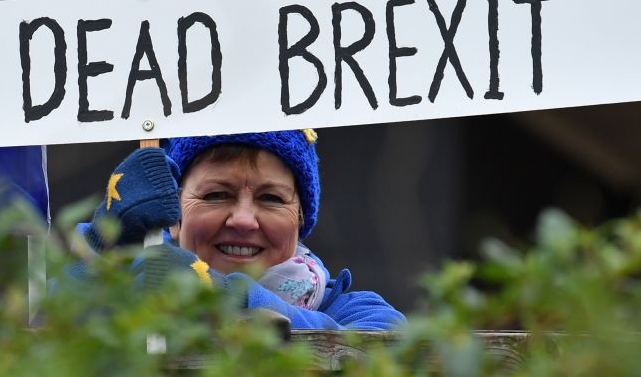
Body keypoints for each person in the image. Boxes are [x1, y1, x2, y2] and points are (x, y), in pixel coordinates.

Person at [77, 130, 405, 331]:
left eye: (271, 198)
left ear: (300, 219)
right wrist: (106, 245)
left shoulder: (352, 311)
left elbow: (390, 348)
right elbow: (44, 319)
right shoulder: (130, 279)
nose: (244, 220)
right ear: (174, 216)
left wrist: (224, 295)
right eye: (216, 195)